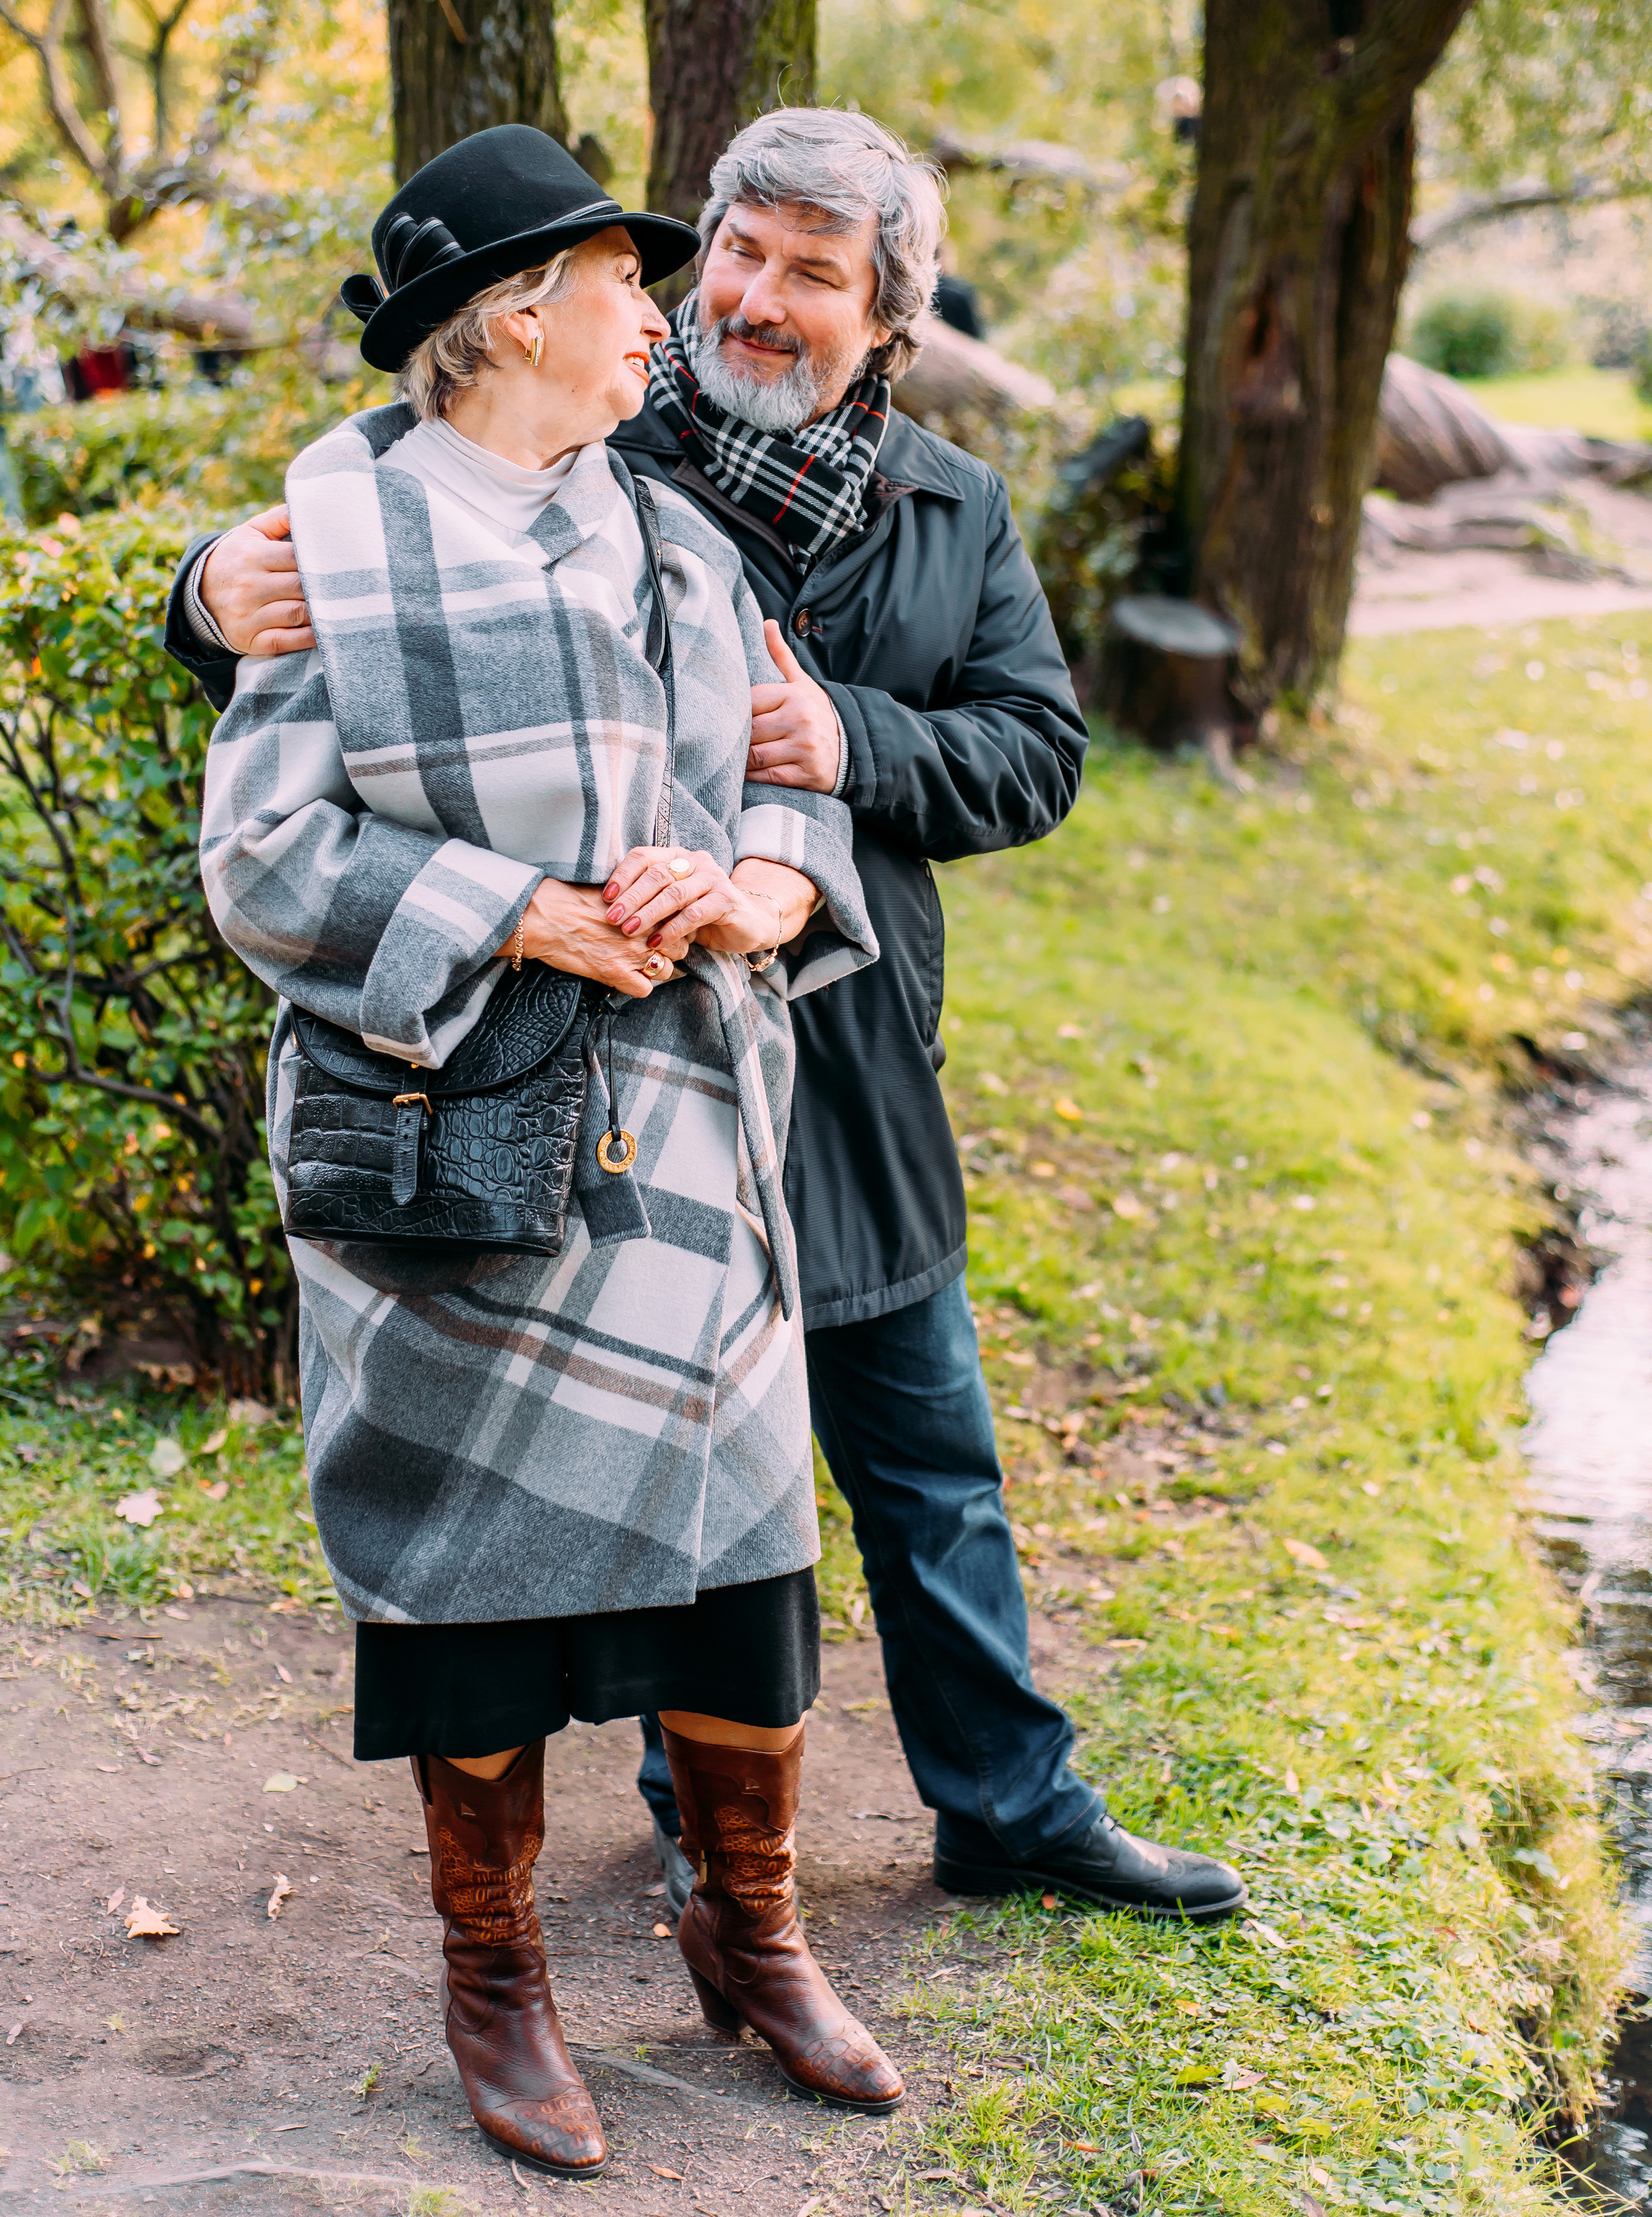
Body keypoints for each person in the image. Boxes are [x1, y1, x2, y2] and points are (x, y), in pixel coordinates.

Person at [169, 108, 1244, 1925]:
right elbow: (340, 590)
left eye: (811, 274)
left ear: (882, 318)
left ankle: (1009, 1799)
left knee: (926, 1445)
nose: (746, 297)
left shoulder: (953, 510)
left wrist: (852, 747)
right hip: (609, 1051)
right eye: (736, 251)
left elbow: (1040, 751)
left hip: (846, 1027)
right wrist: (201, 591)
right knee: (670, 1422)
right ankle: (706, 1817)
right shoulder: (602, 419)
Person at [197, 123, 905, 2178]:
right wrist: (514, 911)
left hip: (690, 1144)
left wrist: (760, 890)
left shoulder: (674, 538)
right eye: (624, 277)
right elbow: (260, 856)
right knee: (471, 1591)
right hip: (455, 1152)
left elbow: (785, 779)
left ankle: (750, 1935)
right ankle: (495, 1978)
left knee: (753, 1571)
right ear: (518, 308)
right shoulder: (335, 546)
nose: (659, 312)